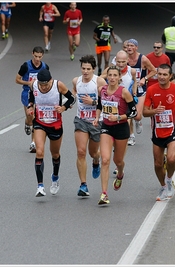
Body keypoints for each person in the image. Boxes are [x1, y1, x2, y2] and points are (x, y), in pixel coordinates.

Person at [143, 64, 175, 201]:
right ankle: (163, 186)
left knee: (171, 158)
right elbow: (144, 112)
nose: (161, 77)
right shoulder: (151, 90)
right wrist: (154, 111)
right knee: (158, 164)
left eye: (165, 74)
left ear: (170, 76)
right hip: (157, 131)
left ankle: (169, 179)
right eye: (159, 74)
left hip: (174, 130)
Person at [27, 68, 76, 197]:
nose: (43, 87)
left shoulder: (58, 85)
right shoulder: (34, 85)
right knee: (39, 151)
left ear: (50, 81)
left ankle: (55, 177)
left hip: (55, 124)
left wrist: (63, 107)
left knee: (55, 154)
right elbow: (31, 97)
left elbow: (72, 98)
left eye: (46, 85)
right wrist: (30, 106)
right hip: (40, 123)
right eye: (41, 85)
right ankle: (40, 186)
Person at [93, 66, 138, 205]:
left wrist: (119, 117)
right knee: (105, 160)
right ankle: (104, 194)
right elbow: (100, 105)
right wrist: (97, 117)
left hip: (121, 128)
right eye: (110, 75)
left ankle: (120, 174)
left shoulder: (124, 92)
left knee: (117, 161)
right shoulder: (102, 90)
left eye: (115, 75)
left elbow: (134, 112)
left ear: (119, 78)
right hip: (106, 127)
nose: (112, 78)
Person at [72, 55, 107, 197]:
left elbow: (107, 100)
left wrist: (92, 102)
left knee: (93, 152)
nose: (85, 72)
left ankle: (96, 160)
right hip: (81, 120)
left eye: (88, 69)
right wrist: (72, 100)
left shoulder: (99, 81)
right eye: (83, 69)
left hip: (96, 121)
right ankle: (83, 185)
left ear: (93, 69)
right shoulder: (76, 81)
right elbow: (74, 92)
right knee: (81, 152)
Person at [15, 46, 49, 153]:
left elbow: (49, 80)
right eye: (36, 56)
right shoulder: (26, 66)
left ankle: (33, 143)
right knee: (30, 116)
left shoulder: (45, 67)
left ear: (42, 56)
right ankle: (27, 122)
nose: (37, 59)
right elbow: (17, 79)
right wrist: (28, 83)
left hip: (39, 94)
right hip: (27, 93)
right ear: (32, 54)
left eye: (39, 57)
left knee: (35, 117)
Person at [126, 38, 157, 145]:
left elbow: (154, 70)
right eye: (128, 46)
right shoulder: (123, 59)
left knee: (137, 115)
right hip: (127, 89)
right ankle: (131, 136)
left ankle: (138, 121)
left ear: (136, 47)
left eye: (132, 46)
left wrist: (145, 79)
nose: (129, 48)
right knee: (129, 112)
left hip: (140, 89)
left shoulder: (142, 59)